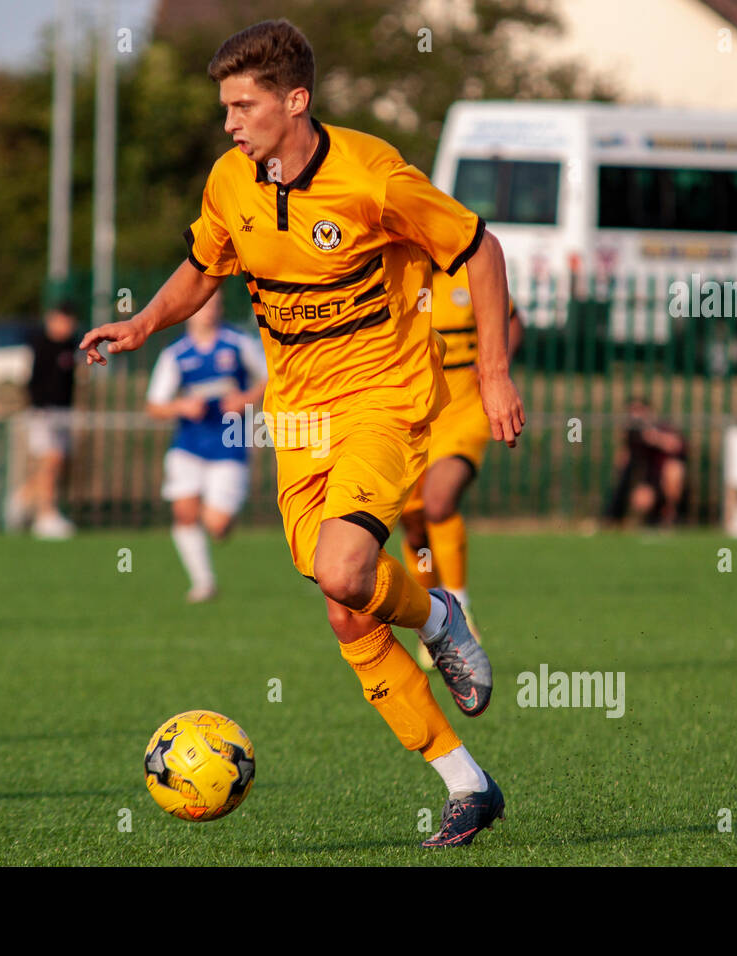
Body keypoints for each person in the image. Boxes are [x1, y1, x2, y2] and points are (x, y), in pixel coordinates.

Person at [80, 19, 525, 849]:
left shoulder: (373, 176)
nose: (230, 122)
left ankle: (439, 620)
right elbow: (203, 266)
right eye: (225, 107)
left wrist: (495, 375)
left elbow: (480, 248)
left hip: (383, 401)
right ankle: (468, 783)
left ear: (296, 100)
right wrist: (143, 323)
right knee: (346, 608)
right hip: (297, 418)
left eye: (244, 105)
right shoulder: (229, 181)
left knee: (345, 566)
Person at [400, 263, 524, 668]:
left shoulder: (468, 275)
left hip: (465, 409)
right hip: (414, 414)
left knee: (439, 501)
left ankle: (460, 608)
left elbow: (512, 322)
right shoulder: (395, 276)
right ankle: (430, 619)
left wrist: (493, 367)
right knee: (415, 524)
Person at [145, 289, 267, 602]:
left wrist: (244, 399)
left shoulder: (237, 344)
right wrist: (181, 407)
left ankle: (223, 524)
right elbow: (155, 406)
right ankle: (204, 582)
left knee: (216, 525)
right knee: (184, 512)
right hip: (188, 445)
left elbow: (271, 379)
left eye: (215, 304)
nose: (208, 310)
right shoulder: (176, 354)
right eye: (203, 304)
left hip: (230, 443)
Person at [14, 303, 81, 539]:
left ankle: (21, 499)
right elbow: (33, 382)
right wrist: (40, 409)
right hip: (43, 413)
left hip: (63, 413)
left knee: (55, 464)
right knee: (51, 461)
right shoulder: (40, 344)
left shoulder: (70, 345)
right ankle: (45, 515)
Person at [605, 396, 687, 528]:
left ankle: (671, 517)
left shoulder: (661, 427)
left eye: (639, 411)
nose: (635, 415)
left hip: (665, 478)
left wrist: (655, 438)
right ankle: (640, 522)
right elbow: (624, 458)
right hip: (649, 480)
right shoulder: (633, 434)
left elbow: (676, 445)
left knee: (673, 471)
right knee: (640, 499)